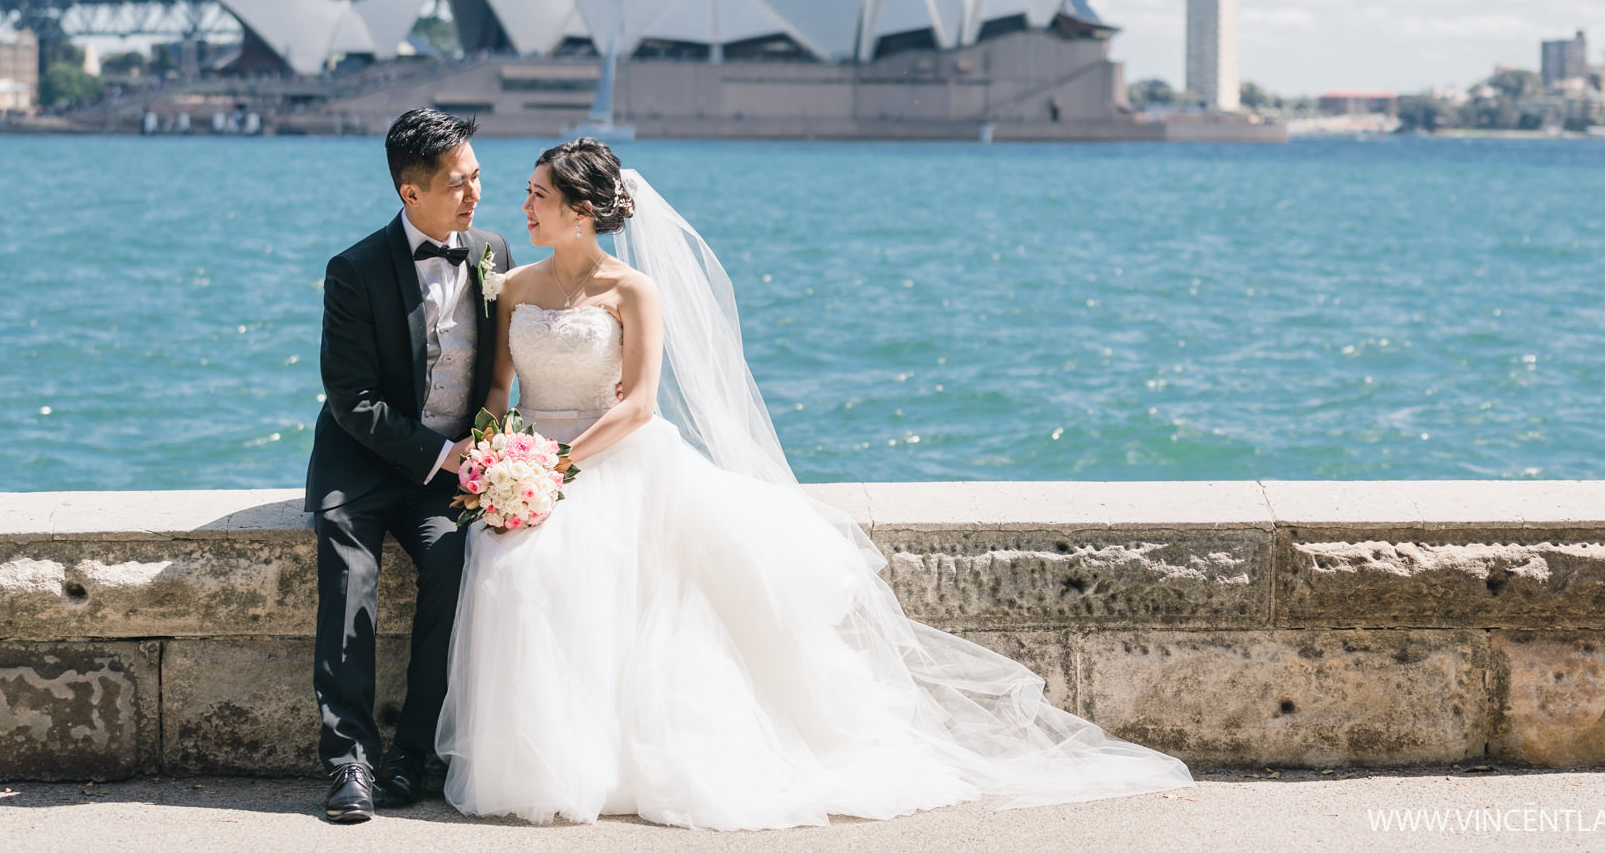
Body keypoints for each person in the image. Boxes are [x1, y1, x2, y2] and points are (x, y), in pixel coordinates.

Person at [435, 139, 1190, 830]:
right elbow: (500, 387)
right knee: (515, 569)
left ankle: (623, 762)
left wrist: (559, 468)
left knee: (588, 579)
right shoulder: (515, 286)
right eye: (530, 193)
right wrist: (500, 460)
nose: (524, 207)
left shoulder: (633, 291)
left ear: (583, 212)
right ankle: (553, 760)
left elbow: (638, 404)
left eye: (538, 195)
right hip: (530, 463)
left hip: (613, 460)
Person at [307, 109, 515, 823]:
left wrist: (489, 452)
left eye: (478, 177)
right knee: (350, 575)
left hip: (449, 475)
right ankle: (349, 764)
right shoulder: (355, 270)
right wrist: (438, 454)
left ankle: (411, 757)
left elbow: (501, 371)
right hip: (361, 465)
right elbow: (351, 400)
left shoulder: (493, 252)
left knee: (454, 561)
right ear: (410, 192)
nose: (475, 195)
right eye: (459, 183)